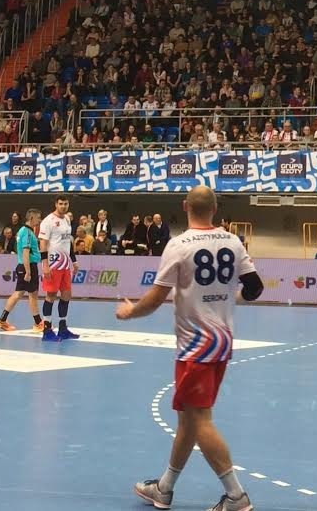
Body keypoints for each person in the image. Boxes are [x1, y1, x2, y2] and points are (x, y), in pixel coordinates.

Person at [119, 186, 263, 511]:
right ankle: (164, 488)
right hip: (222, 340)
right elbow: (255, 287)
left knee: (199, 420)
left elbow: (155, 298)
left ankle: (236, 496)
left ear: (185, 206)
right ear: (215, 209)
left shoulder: (178, 245)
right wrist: (231, 298)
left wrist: (129, 312)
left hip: (196, 345)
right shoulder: (233, 241)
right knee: (187, 418)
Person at [0, 209, 44, 333]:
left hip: (23, 266)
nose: (39, 220)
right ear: (31, 218)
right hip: (28, 266)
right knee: (32, 294)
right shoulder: (27, 232)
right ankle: (38, 323)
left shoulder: (22, 231)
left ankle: (2, 320)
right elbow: (25, 252)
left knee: (19, 294)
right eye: (38, 217)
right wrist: (28, 271)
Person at [38, 197, 79, 341]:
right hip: (53, 263)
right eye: (60, 204)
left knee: (66, 294)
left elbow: (68, 241)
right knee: (51, 295)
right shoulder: (48, 221)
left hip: (65, 263)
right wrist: (45, 265)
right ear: (56, 204)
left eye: (65, 204)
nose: (63, 206)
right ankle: (47, 330)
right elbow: (43, 244)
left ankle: (63, 329)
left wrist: (74, 261)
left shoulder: (67, 219)